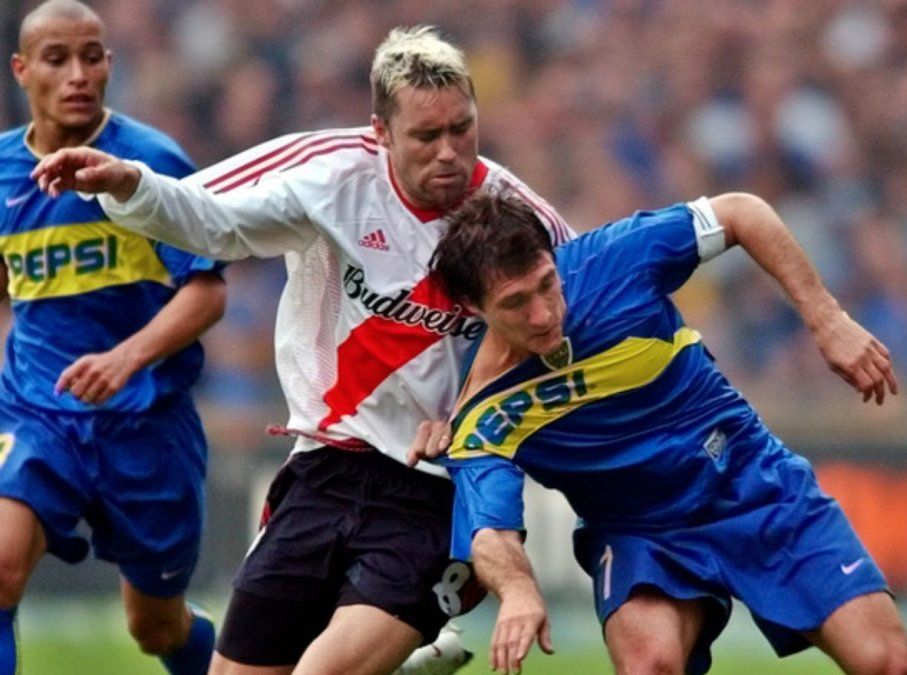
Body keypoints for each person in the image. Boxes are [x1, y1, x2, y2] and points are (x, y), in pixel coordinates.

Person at [32, 24, 572, 675]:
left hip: (435, 489)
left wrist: (477, 419)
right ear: (381, 132)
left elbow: (578, 332)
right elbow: (210, 218)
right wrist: (128, 185)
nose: (449, 153)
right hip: (322, 467)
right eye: (427, 136)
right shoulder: (328, 173)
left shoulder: (519, 217)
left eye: (463, 129)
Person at [421, 190, 907, 675]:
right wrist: (518, 591)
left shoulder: (615, 258)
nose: (543, 313)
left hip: (749, 480)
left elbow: (741, 213)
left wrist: (826, 318)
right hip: (638, 530)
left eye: (546, 284)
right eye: (515, 303)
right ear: (473, 307)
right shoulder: (482, 415)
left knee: (888, 664)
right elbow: (490, 534)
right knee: (649, 666)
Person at [0, 2, 225, 674]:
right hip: (37, 411)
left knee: (155, 627)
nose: (78, 74)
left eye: (91, 57)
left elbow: (208, 291)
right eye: (57, 58)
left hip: (145, 424)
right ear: (22, 71)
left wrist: (127, 358)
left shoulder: (152, 161)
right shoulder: (2, 173)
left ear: (110, 65)